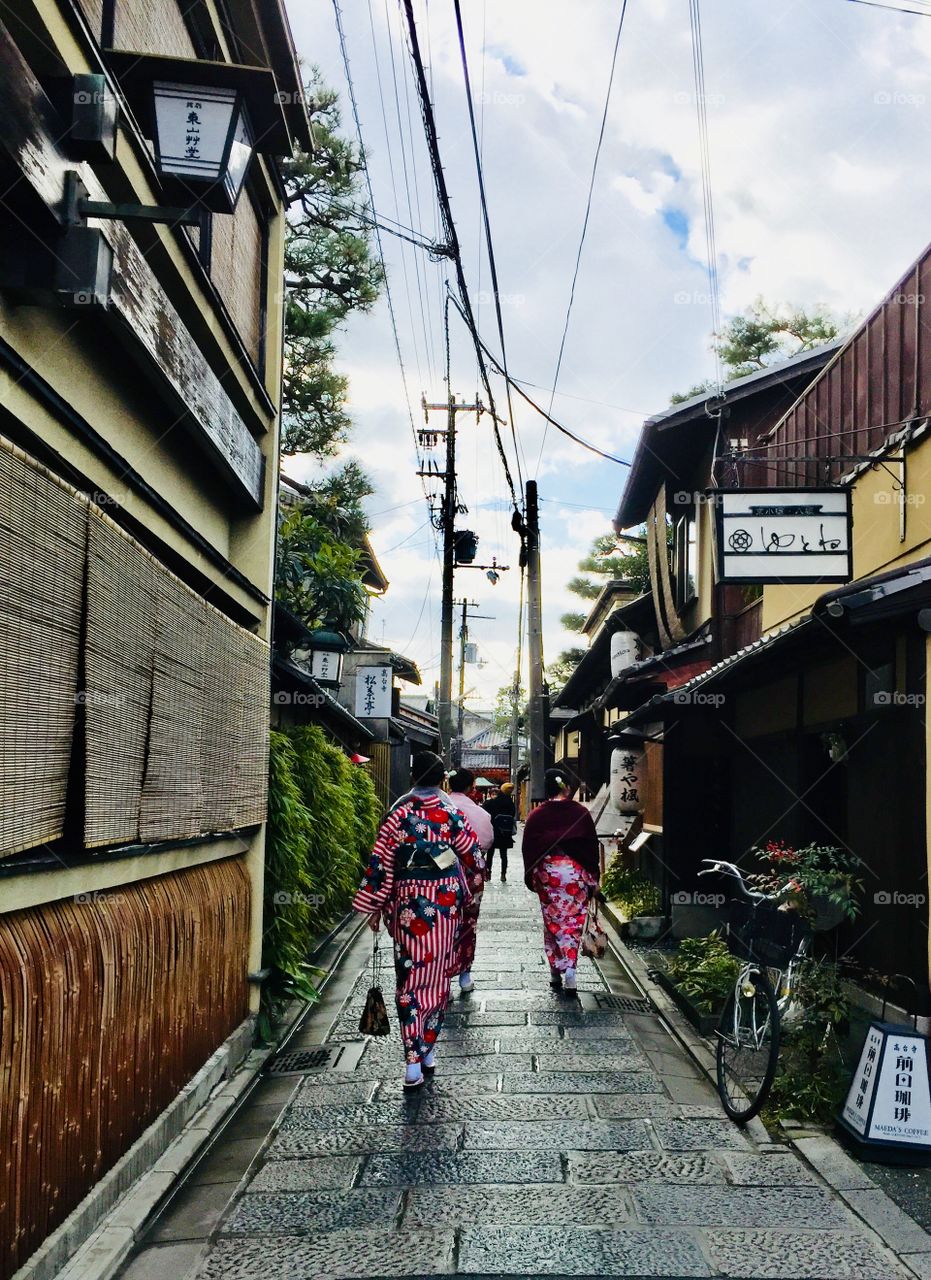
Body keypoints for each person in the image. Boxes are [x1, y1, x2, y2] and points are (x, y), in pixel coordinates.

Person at [352, 751, 485, 1091]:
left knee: (410, 978)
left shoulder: (398, 812)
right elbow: (473, 857)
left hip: (408, 904)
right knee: (438, 977)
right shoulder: (451, 814)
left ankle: (413, 1058)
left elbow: (380, 861)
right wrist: (468, 889)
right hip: (443, 904)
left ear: (413, 777)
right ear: (441, 779)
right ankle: (427, 1049)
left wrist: (373, 906)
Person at [522, 768, 600, 992]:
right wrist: (593, 876)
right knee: (572, 924)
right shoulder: (580, 812)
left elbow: (529, 847)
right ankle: (571, 972)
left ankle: (555, 971)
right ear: (565, 786)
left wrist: (533, 876)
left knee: (553, 922)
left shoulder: (537, 815)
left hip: (547, 875)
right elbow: (590, 847)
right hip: (575, 875)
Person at [446, 767, 494, 994]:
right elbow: (485, 842)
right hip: (470, 872)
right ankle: (464, 974)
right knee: (467, 924)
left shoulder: (438, 808)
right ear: (469, 787)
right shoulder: (480, 814)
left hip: (441, 875)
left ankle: (440, 973)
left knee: (441, 924)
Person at [483, 782, 517, 883]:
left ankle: (488, 873)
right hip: (505, 832)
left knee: (490, 853)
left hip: (494, 830)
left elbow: (485, 812)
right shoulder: (510, 803)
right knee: (504, 854)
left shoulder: (492, 802)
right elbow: (512, 814)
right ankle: (503, 874)